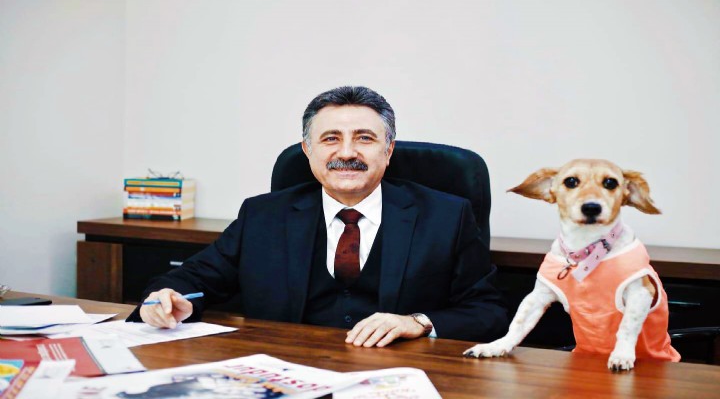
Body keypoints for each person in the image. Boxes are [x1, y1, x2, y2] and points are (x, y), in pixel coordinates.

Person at [127, 86, 507, 347]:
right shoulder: (263, 216)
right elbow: (189, 280)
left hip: (399, 377)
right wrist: (166, 299)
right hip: (289, 371)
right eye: (330, 139)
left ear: (388, 150)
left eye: (364, 138)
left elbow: (488, 312)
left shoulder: (446, 216)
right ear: (308, 151)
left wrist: (417, 322)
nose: (347, 152)